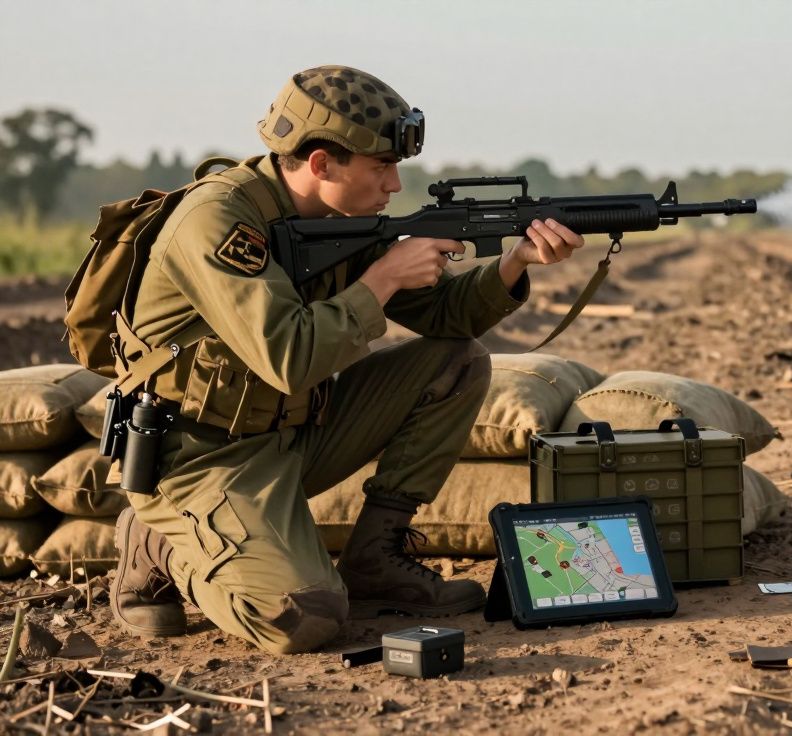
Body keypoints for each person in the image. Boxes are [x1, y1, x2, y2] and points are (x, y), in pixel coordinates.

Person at [109, 65, 585, 654]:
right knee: (305, 621)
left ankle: (376, 557)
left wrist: (515, 263)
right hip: (203, 458)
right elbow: (288, 357)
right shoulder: (218, 220)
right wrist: (382, 278)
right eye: (381, 167)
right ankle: (158, 543)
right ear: (320, 163)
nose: (392, 185)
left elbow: (448, 318)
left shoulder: (337, 219)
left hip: (293, 434)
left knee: (456, 361)